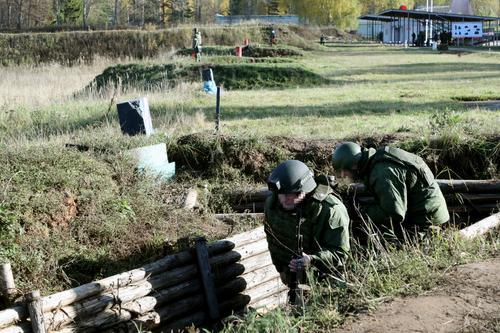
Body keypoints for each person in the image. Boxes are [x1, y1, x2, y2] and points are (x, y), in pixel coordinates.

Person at [264, 160, 350, 303]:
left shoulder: (331, 210)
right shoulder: (272, 206)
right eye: (282, 194)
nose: (287, 199)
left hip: (326, 284)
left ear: (306, 189)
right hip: (291, 281)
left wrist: (312, 260)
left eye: (294, 194)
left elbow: (340, 253)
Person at [331, 142, 449, 238]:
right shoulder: (377, 160)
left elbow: (394, 213)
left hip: (426, 224)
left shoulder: (382, 173)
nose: (344, 176)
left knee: (376, 243)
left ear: (353, 165)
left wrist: (360, 212)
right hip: (426, 214)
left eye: (344, 172)